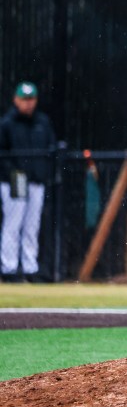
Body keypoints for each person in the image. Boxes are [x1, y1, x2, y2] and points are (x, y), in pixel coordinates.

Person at [1, 82, 56, 283]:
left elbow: (51, 149)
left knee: (32, 225)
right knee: (13, 223)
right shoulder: (7, 123)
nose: (28, 103)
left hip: (35, 180)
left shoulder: (42, 122)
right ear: (16, 100)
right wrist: (12, 172)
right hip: (15, 180)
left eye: (31, 99)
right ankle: (9, 268)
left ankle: (30, 267)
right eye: (24, 99)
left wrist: (43, 172)